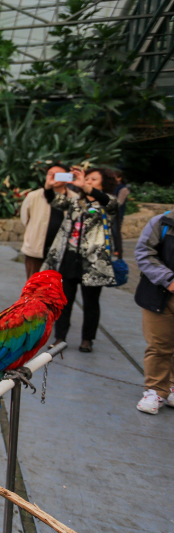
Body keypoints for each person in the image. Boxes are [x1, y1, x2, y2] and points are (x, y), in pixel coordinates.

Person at [42, 167, 118, 353]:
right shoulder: (77, 202)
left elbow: (107, 201)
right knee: (64, 300)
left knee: (91, 303)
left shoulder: (108, 203)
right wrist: (48, 185)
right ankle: (60, 338)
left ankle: (87, 339)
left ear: (103, 184)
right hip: (70, 257)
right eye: (87, 179)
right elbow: (54, 200)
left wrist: (84, 186)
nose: (88, 182)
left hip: (94, 262)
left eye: (93, 179)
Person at [134, 210, 174, 414]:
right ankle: (156, 390)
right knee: (159, 344)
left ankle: (172, 385)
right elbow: (143, 252)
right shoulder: (162, 222)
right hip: (160, 294)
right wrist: (169, 280)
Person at [19, 163, 71, 279]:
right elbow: (25, 219)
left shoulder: (74, 198)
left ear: (67, 177)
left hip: (64, 252)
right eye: (50, 174)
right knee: (35, 286)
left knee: (59, 288)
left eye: (57, 174)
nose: (53, 177)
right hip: (37, 249)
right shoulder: (34, 196)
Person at [112, 170, 130, 258]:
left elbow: (119, 203)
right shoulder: (111, 187)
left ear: (120, 178)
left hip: (117, 214)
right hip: (109, 213)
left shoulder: (123, 189)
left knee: (116, 232)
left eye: (115, 177)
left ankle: (118, 250)